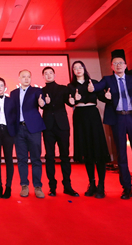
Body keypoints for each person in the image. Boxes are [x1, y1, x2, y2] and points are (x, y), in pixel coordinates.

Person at [88, 54, 132, 202]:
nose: (118, 65)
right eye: (115, 63)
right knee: (121, 155)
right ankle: (127, 188)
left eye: (121, 63)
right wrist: (92, 88)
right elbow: (97, 87)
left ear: (125, 66)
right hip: (117, 118)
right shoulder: (107, 79)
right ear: (112, 67)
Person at [68, 60, 111, 199]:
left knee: (98, 150)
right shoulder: (71, 86)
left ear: (84, 68)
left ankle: (101, 185)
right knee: (87, 151)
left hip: (93, 115)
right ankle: (92, 184)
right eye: (75, 68)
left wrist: (107, 97)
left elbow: (102, 98)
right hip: (79, 117)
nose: (78, 69)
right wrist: (73, 100)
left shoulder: (93, 82)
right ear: (73, 71)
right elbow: (69, 101)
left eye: (80, 67)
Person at [40, 66, 78, 197]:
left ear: (54, 75)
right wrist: (43, 103)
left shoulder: (63, 88)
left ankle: (67, 186)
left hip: (62, 126)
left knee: (65, 156)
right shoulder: (41, 91)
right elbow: (40, 105)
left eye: (50, 73)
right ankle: (52, 187)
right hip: (48, 127)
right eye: (46, 73)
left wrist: (72, 101)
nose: (48, 75)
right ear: (43, 76)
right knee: (49, 157)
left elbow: (69, 101)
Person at [11, 69, 46, 198]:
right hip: (18, 129)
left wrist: (42, 103)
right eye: (23, 77)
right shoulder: (13, 93)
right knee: (22, 159)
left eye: (28, 77)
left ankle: (38, 186)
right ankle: (24, 185)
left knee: (36, 158)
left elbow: (41, 102)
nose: (26, 79)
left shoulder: (37, 91)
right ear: (19, 79)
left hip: (33, 129)